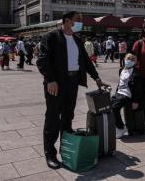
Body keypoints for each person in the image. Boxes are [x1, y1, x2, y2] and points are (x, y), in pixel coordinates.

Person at [36, 11, 109, 170]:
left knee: (68, 117)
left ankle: (66, 149)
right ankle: (50, 154)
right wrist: (50, 80)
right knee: (53, 118)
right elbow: (42, 60)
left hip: (72, 82)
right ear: (67, 20)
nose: (80, 23)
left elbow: (86, 61)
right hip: (56, 83)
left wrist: (97, 79)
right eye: (78, 20)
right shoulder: (51, 37)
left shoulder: (77, 39)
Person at [111, 53, 142, 138]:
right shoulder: (121, 70)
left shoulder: (136, 73)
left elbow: (137, 89)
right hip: (119, 93)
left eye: (132, 59)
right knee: (108, 105)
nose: (129, 61)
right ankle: (117, 125)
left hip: (127, 94)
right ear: (124, 58)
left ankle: (121, 128)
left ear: (135, 62)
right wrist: (116, 93)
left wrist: (136, 101)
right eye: (128, 58)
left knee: (114, 108)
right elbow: (120, 82)